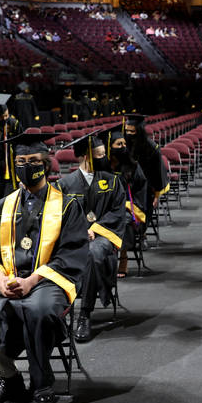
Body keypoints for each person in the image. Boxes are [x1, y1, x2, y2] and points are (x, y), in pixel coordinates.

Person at [0, 132, 88, 403]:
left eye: (35, 160)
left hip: (49, 280)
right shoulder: (0, 208)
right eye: (21, 161)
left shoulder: (67, 206)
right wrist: (1, 279)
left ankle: (42, 381)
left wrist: (31, 281)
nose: (28, 166)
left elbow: (70, 255)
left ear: (47, 164)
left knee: (37, 308)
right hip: (8, 278)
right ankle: (10, 375)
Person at [57, 130, 128, 343]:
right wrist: (80, 230)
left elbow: (117, 213)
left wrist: (95, 229)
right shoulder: (65, 184)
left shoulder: (113, 181)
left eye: (103, 153)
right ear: (85, 156)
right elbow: (57, 215)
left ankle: (84, 314)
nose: (104, 158)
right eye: (99, 155)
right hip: (73, 237)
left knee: (93, 253)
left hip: (103, 237)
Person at [108, 127, 149, 277]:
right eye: (119, 144)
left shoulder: (133, 166)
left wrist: (129, 205)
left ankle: (123, 259)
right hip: (107, 207)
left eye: (124, 144)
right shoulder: (103, 167)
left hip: (128, 207)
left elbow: (140, 188)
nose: (123, 147)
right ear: (109, 147)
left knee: (123, 221)